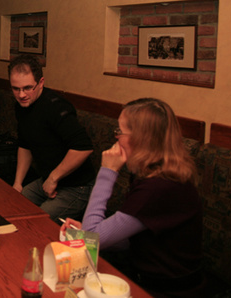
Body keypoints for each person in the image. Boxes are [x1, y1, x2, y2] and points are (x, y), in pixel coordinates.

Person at [62, 98, 205, 298]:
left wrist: (107, 171)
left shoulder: (158, 187)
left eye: (119, 131)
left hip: (167, 290)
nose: (116, 137)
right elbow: (138, 235)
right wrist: (103, 231)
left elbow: (90, 238)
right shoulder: (154, 172)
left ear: (140, 138)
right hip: (143, 276)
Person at [9, 54, 95, 223]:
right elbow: (25, 145)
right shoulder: (21, 106)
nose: (21, 94)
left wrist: (53, 177)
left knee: (37, 222)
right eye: (16, 89)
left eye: (28, 88)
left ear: (41, 82)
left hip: (76, 186)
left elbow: (83, 147)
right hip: (47, 179)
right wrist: (18, 183)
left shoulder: (55, 107)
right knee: (13, 205)